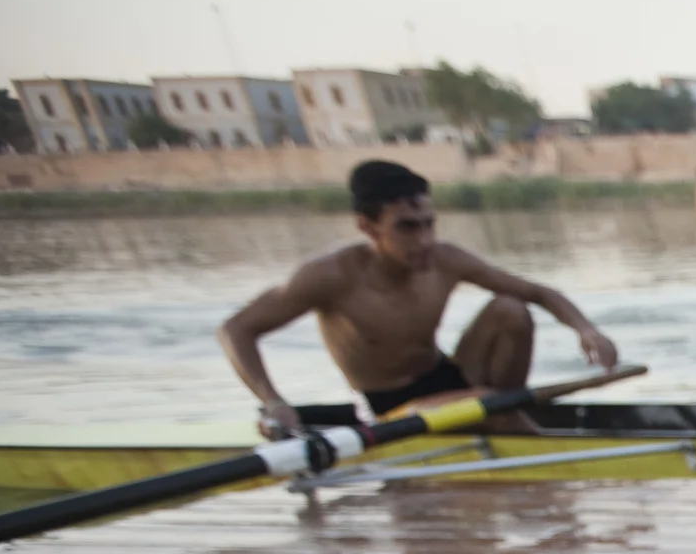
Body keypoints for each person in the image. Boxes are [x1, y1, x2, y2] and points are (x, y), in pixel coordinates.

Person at [219, 160, 618, 437]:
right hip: (388, 407)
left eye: (429, 224)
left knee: (511, 309)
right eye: (407, 228)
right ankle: (505, 418)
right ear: (368, 227)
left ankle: (501, 413)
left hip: (448, 376)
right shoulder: (330, 276)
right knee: (492, 406)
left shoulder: (446, 259)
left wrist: (587, 330)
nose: (425, 240)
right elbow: (236, 330)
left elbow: (537, 292)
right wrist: (273, 402)